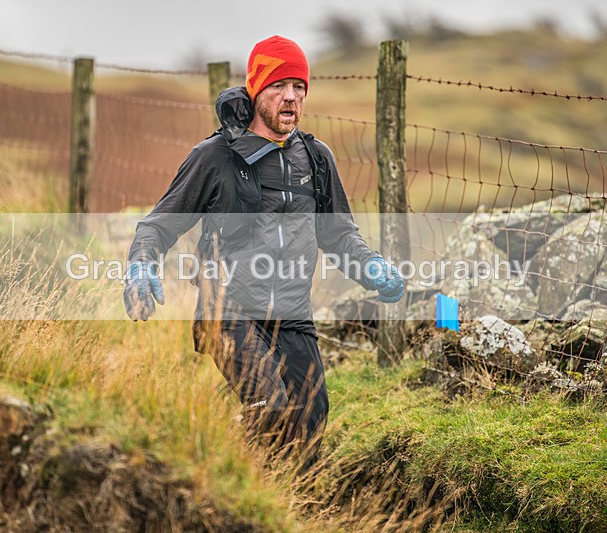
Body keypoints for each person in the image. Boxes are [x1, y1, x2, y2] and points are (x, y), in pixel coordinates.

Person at [124, 35, 404, 469]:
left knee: (311, 419)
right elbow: (158, 224)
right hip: (227, 311)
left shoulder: (316, 159)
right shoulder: (214, 157)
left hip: (292, 315)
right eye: (278, 86)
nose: (291, 97)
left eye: (299, 87)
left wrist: (371, 266)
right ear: (256, 90)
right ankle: (228, 484)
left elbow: (339, 235)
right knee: (268, 405)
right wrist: (141, 264)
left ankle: (286, 501)